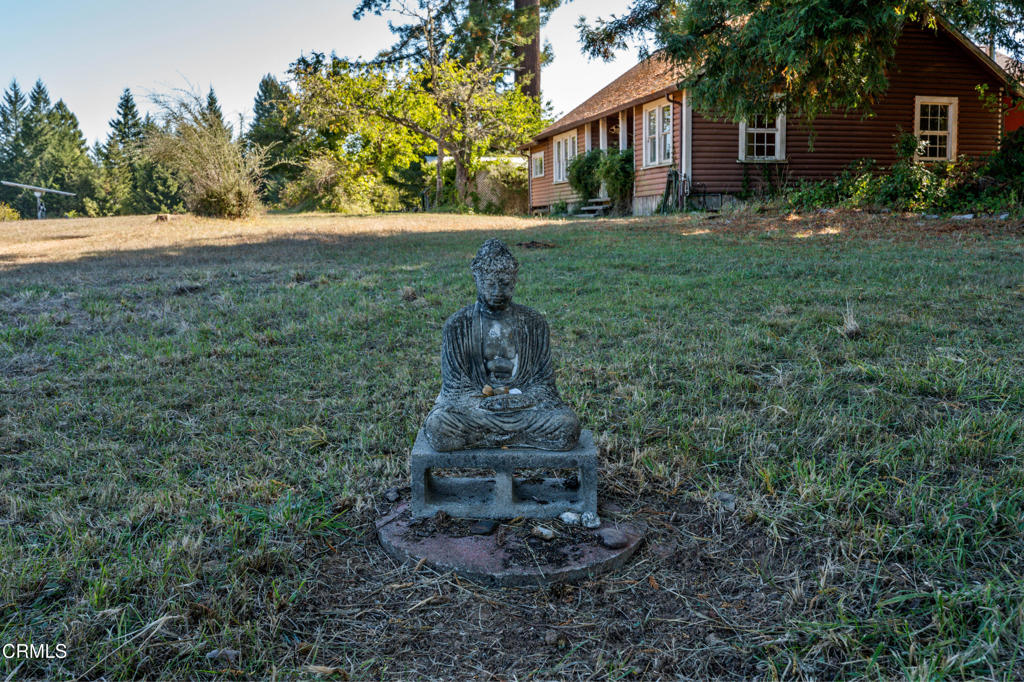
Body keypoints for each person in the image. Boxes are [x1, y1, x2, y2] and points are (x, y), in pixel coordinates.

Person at [423, 239, 580, 451]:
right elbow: (455, 389)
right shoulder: (457, 325)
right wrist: (485, 403)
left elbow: (544, 383)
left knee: (567, 425)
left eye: (505, 283)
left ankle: (491, 438)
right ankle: (510, 437)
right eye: (490, 284)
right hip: (477, 411)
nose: (498, 291)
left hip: (524, 409)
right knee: (438, 427)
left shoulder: (534, 323)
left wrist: (522, 400)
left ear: (514, 281)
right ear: (477, 280)